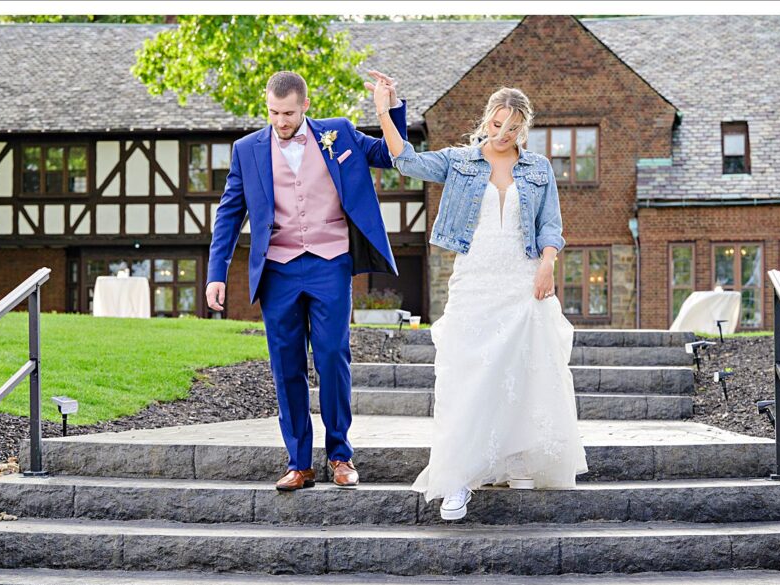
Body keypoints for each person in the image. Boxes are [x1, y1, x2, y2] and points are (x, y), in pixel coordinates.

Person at [374, 83, 589, 520]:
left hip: (523, 279)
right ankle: (457, 477)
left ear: (524, 128)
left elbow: (551, 225)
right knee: (466, 375)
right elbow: (406, 160)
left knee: (524, 371)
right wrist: (387, 110)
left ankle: (518, 460)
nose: (502, 133)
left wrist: (547, 264)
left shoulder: (539, 169)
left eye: (512, 128)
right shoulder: (459, 162)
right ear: (485, 119)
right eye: (495, 124)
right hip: (475, 280)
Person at [206, 70, 409, 491]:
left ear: (306, 106)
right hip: (277, 269)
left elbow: (393, 156)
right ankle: (299, 462)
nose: (281, 121)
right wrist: (216, 273)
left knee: (333, 356)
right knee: (286, 366)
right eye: (273, 112)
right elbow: (229, 214)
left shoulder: (339, 134)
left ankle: (340, 455)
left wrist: (388, 110)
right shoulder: (247, 150)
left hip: (329, 261)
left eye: (289, 113)